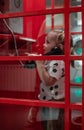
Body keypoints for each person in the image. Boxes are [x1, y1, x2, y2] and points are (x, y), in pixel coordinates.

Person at [26, 30, 65, 130]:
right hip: (46, 101)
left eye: (47, 42)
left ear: (57, 48)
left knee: (53, 127)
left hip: (55, 103)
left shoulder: (58, 62)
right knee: (46, 126)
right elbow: (40, 83)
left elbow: (48, 82)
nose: (43, 45)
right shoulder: (49, 60)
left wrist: (39, 63)